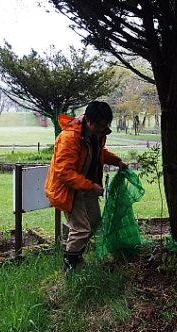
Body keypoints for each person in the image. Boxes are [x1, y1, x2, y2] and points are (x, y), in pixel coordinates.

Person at [45, 101, 128, 271]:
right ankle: (70, 267)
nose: (102, 128)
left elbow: (99, 152)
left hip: (86, 186)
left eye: (105, 125)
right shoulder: (69, 138)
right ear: (88, 120)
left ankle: (76, 256)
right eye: (99, 125)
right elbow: (65, 172)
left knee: (93, 221)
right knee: (81, 228)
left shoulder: (97, 134)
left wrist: (117, 161)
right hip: (69, 189)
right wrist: (91, 186)